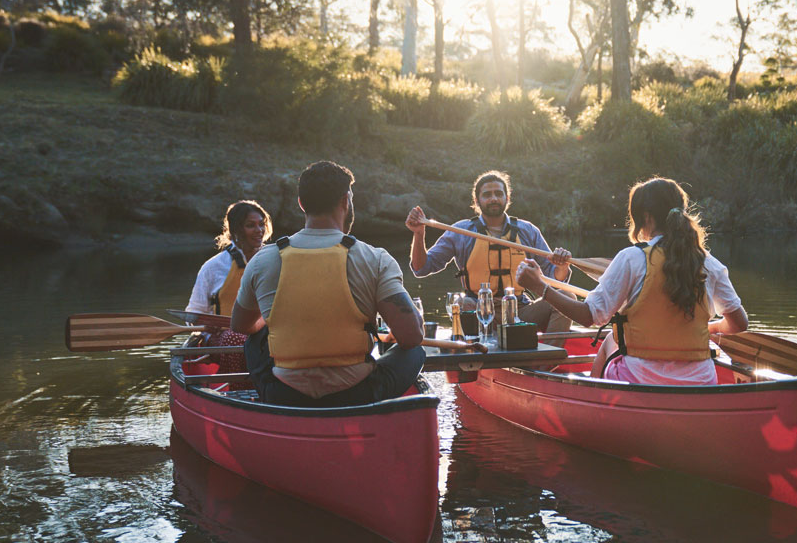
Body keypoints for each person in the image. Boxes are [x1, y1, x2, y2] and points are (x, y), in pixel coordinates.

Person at [516, 177, 748, 385]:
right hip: (701, 381)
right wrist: (710, 328)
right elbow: (739, 323)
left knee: (611, 339)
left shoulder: (632, 258)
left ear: (646, 217)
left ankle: (595, 401)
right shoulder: (710, 263)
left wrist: (540, 287)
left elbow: (588, 316)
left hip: (641, 380)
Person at [230, 161, 426, 407]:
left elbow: (241, 324)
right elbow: (412, 337)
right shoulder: (376, 259)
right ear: (345, 201)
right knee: (416, 351)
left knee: (254, 341)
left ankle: (273, 405)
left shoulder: (262, 260)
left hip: (284, 393)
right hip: (357, 393)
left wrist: (275, 322)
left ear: (301, 204)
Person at [405, 170, 574, 333]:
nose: (493, 198)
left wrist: (562, 266)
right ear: (477, 200)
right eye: (487, 195)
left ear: (507, 198)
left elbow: (554, 279)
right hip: (478, 309)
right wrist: (419, 234)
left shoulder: (528, 231)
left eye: (498, 194)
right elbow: (421, 268)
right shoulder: (460, 232)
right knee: (462, 303)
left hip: (519, 310)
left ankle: (547, 352)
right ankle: (478, 347)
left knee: (567, 296)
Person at [185, 200, 273, 317]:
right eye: (250, 225)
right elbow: (195, 311)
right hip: (224, 328)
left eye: (261, 224)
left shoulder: (274, 260)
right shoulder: (212, 267)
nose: (259, 230)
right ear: (235, 230)